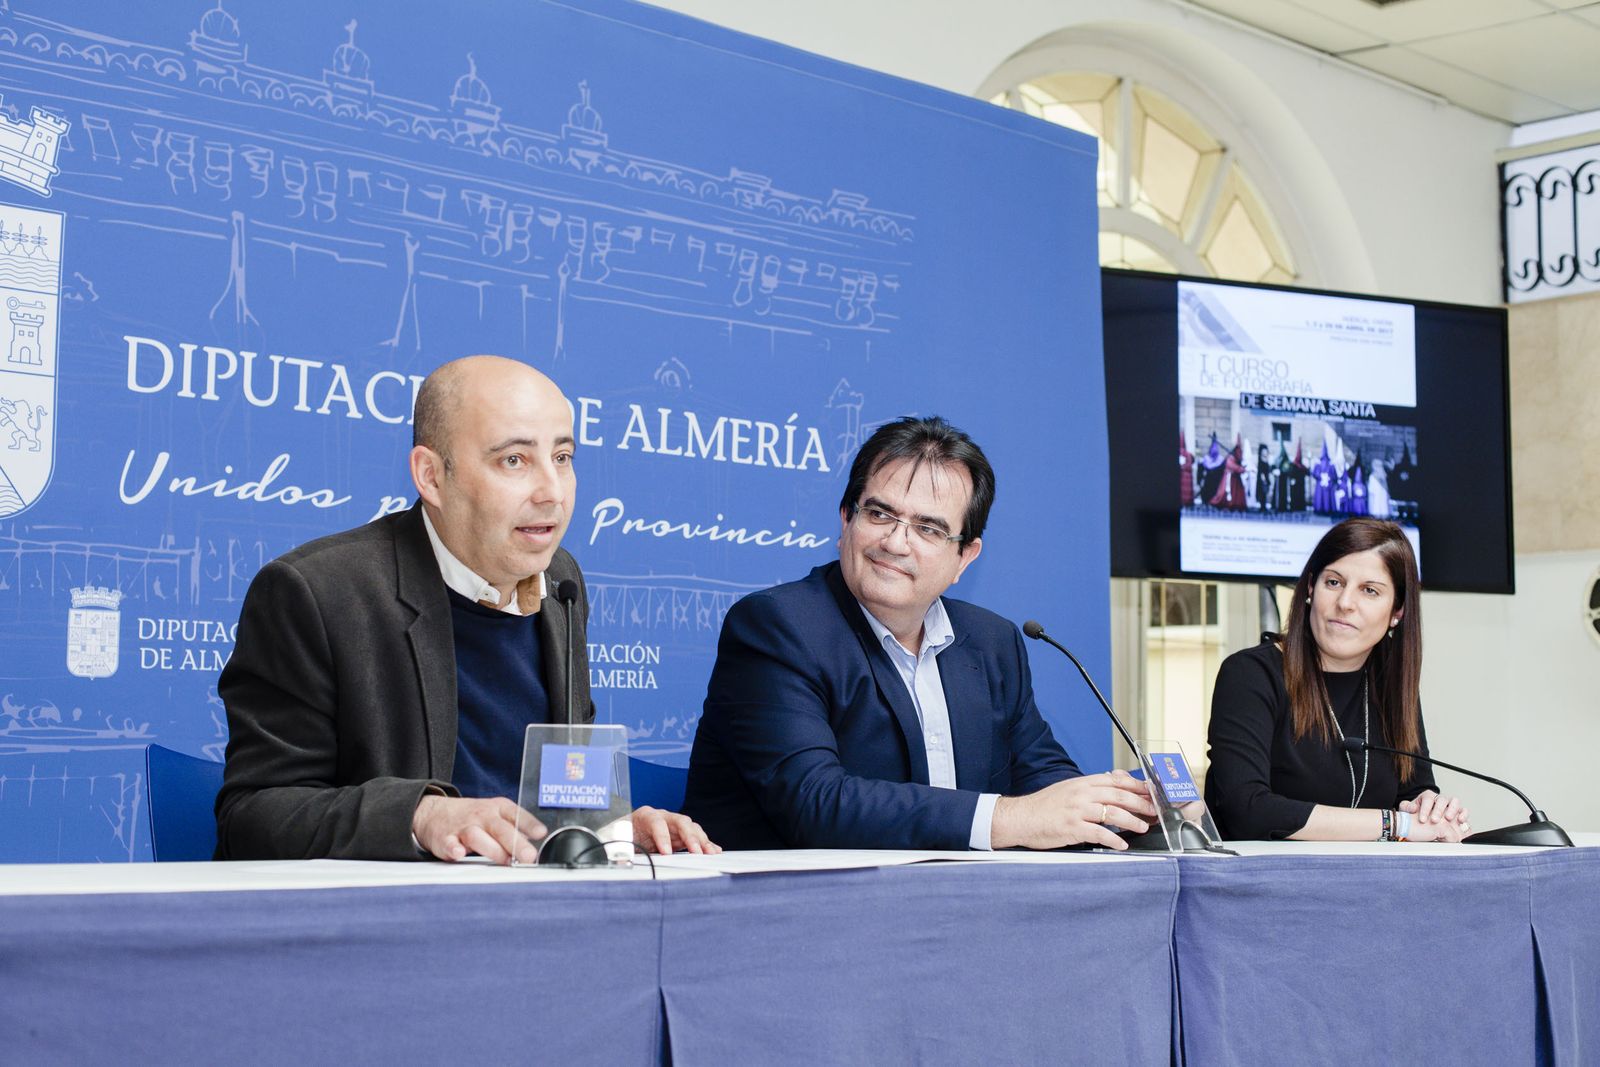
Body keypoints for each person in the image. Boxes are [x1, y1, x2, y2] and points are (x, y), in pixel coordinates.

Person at [215, 356, 717, 863]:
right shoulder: (316, 592)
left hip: (529, 918)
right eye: (514, 461)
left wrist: (604, 829)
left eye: (562, 458)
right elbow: (254, 814)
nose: (552, 493)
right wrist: (420, 816)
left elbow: (557, 799)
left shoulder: (562, 583)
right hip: (382, 926)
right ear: (431, 476)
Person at [682, 416, 1155, 851]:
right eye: (880, 514)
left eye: (928, 529)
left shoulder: (993, 643)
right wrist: (1008, 818)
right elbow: (815, 802)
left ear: (965, 557)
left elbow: (1042, 779)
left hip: (957, 911)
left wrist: (1122, 813)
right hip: (794, 917)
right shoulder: (777, 626)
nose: (895, 542)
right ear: (846, 520)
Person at [1204, 517, 1469, 841]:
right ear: (1311, 588)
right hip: (1264, 883)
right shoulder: (1251, 674)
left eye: (1369, 590)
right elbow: (1248, 809)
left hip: (1372, 884)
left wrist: (1430, 810)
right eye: (1334, 582)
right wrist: (1395, 824)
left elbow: (1415, 790)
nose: (1345, 603)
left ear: (1397, 611)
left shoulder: (1391, 686)